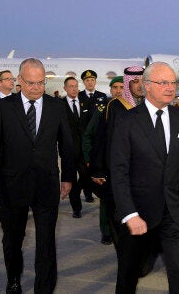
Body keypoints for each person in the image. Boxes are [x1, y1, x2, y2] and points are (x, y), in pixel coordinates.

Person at [0, 58, 74, 293]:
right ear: (19, 80)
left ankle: (44, 287)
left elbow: (68, 145)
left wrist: (68, 177)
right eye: (30, 82)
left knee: (46, 241)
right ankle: (13, 278)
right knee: (12, 238)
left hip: (46, 184)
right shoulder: (2, 107)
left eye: (40, 83)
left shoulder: (57, 107)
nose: (35, 88)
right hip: (10, 186)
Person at [110, 62, 179, 293]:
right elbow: (118, 171)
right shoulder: (127, 120)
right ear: (147, 86)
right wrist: (129, 214)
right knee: (128, 275)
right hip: (138, 213)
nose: (171, 88)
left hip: (175, 213)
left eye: (173, 83)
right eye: (163, 83)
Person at [82, 75, 124, 245]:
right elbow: (88, 136)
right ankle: (106, 232)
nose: (119, 91)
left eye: (122, 87)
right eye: (115, 88)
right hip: (106, 164)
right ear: (111, 90)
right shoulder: (103, 110)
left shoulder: (134, 108)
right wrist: (89, 159)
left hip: (125, 163)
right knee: (107, 200)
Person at [61, 76, 90, 219]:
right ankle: (76, 208)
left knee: (86, 175)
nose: (74, 89)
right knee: (70, 179)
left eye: (75, 86)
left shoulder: (85, 103)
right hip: (68, 150)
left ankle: (77, 189)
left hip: (84, 150)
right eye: (71, 86)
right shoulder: (59, 105)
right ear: (65, 88)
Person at [78, 69, 106, 203]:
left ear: (95, 81)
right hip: (83, 139)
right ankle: (86, 193)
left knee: (94, 167)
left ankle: (92, 192)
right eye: (87, 80)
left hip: (97, 139)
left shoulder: (102, 96)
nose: (90, 82)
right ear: (83, 82)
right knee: (84, 170)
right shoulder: (79, 96)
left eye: (92, 80)